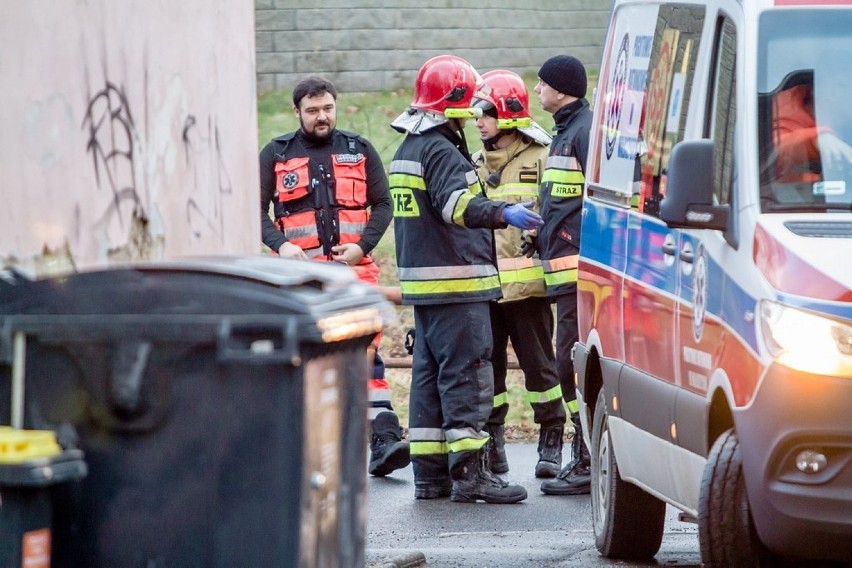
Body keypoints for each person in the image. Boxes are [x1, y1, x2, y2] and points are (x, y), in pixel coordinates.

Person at [388, 54, 543, 504]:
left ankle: (431, 477)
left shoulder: (410, 147)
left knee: (428, 382)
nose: (477, 111)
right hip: (458, 283)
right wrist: (503, 213)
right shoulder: (440, 148)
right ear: (452, 101)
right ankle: (473, 476)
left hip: (427, 288)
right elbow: (458, 207)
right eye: (471, 101)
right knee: (468, 376)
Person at [259, 76, 409, 478]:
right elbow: (254, 211)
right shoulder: (276, 154)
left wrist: (361, 247)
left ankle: (385, 438)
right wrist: (281, 245)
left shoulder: (359, 149)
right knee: (308, 358)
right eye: (312, 111)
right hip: (303, 277)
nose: (321, 116)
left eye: (327, 108)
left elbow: (383, 205)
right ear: (297, 112)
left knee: (364, 353)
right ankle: (309, 446)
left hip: (355, 272)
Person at [470, 70, 567, 479]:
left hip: (528, 289)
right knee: (489, 370)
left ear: (508, 115)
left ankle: (551, 437)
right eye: (477, 112)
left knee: (541, 368)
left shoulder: (541, 158)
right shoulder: (474, 163)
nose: (479, 121)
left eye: (487, 112)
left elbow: (557, 213)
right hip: (487, 290)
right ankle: (495, 443)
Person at [532, 55, 594, 496]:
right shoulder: (564, 134)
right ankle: (585, 449)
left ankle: (588, 455)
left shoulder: (583, 132)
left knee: (571, 363)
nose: (537, 91)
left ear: (561, 89)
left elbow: (600, 199)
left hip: (578, 275)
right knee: (565, 362)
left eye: (542, 85)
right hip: (561, 270)